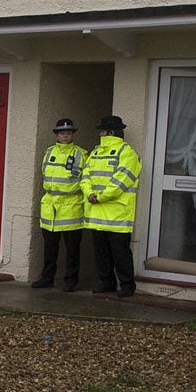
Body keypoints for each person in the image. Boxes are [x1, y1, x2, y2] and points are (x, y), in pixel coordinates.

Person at [83, 114, 143, 297]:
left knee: (121, 253)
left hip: (117, 214)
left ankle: (126, 285)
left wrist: (98, 196)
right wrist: (89, 193)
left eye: (103, 131)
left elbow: (121, 182)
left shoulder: (127, 153)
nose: (100, 134)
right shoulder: (95, 152)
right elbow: (85, 176)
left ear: (112, 132)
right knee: (101, 253)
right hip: (97, 212)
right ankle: (106, 282)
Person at [31, 117, 85, 290]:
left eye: (68, 133)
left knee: (72, 249)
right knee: (49, 248)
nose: (65, 136)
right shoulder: (49, 152)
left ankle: (71, 281)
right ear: (57, 134)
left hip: (71, 206)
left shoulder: (81, 154)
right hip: (50, 206)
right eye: (62, 133)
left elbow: (84, 179)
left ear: (73, 134)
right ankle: (47, 278)